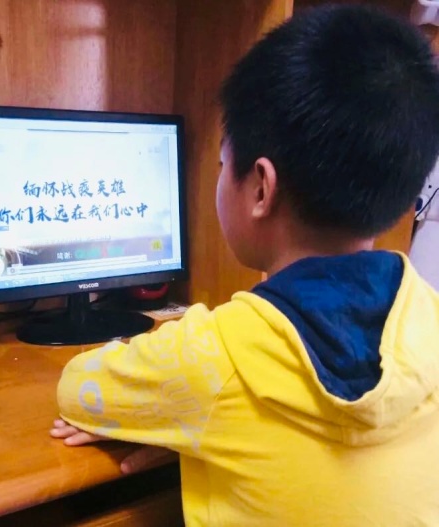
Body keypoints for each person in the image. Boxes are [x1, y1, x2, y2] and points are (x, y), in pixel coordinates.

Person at [51, 4, 439, 526]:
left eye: (220, 164)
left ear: (260, 188)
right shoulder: (428, 317)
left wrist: (178, 420)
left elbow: (76, 390)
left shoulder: (214, 356)